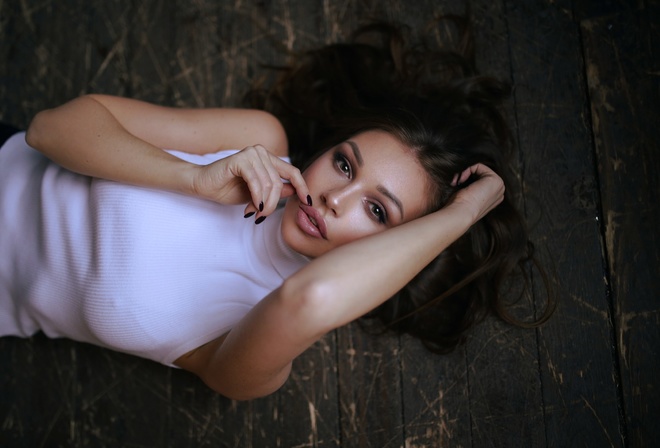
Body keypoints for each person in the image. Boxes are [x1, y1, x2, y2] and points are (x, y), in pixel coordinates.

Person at [0, 21, 553, 400]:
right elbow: (50, 130)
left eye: (378, 212)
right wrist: (192, 179)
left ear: (399, 248)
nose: (335, 198)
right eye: (344, 164)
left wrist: (460, 217)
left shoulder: (260, 345)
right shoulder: (256, 140)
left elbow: (311, 298)